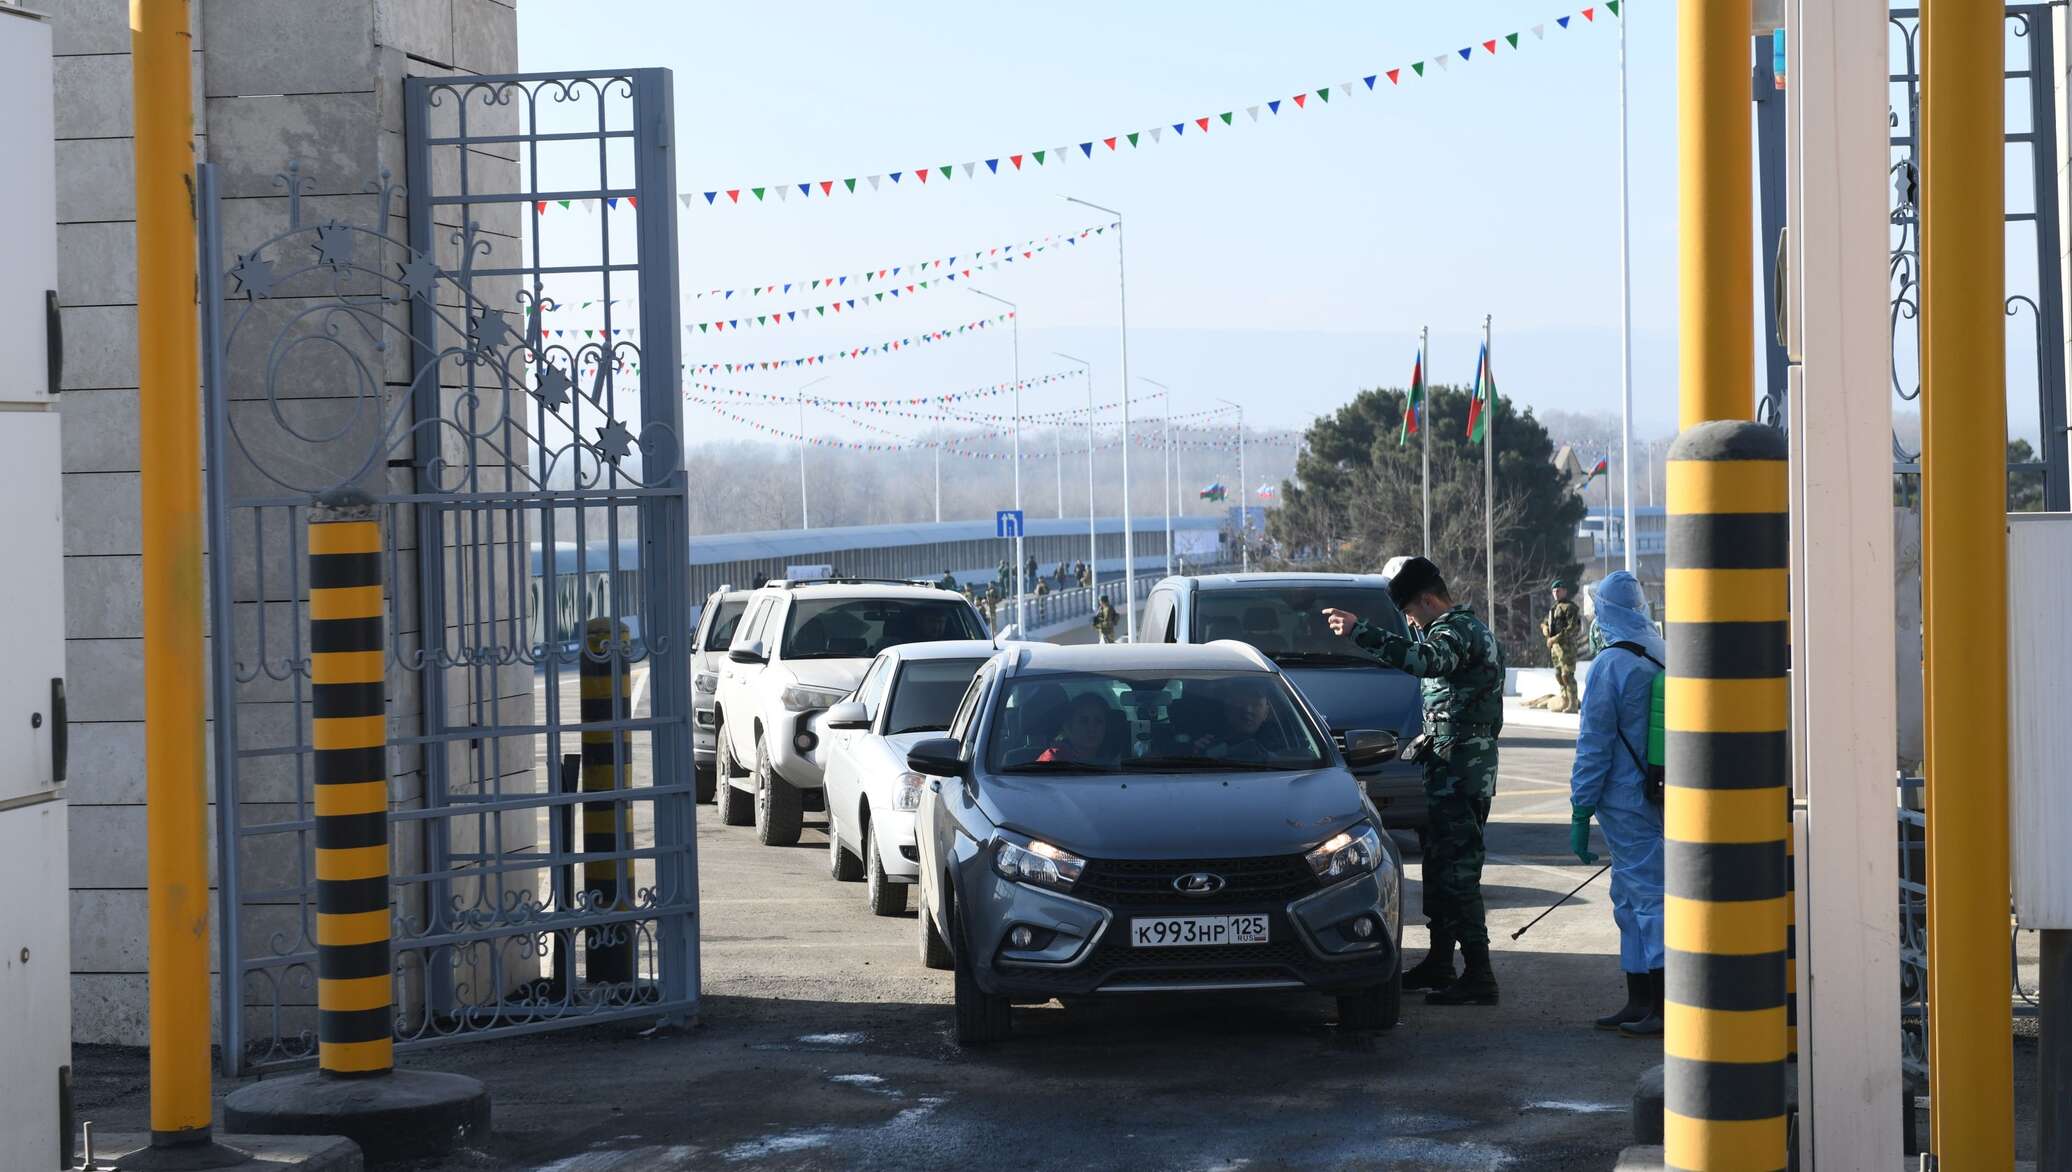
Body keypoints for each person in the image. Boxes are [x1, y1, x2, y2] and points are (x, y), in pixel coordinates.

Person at [1323, 556, 1505, 1007]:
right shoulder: (1457, 628)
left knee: (1459, 872)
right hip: (1450, 766)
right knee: (1441, 867)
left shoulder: (1455, 632)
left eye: (1409, 612)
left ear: (1427, 599)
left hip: (1462, 769)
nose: (1409, 622)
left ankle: (1479, 973)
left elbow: (1426, 661)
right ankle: (1441, 962)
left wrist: (1360, 630)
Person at [1567, 570, 1666, 1036]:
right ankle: (1639, 1001)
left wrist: (1580, 807)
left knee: (1646, 898)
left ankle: (1662, 1008)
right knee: (1630, 896)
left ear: (1606, 612)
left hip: (1626, 801)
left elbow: (1595, 742)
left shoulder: (1611, 665)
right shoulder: (1659, 652)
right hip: (1657, 793)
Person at [1036, 692, 1121, 766]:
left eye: (1098, 721)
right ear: (1068, 727)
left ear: (1106, 727)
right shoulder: (1052, 761)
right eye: (1084, 721)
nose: (1091, 728)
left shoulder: (1122, 763)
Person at [1541, 579, 1586, 712]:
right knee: (1558, 675)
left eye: (1558, 591)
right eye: (1554, 591)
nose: (1556, 593)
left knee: (1567, 675)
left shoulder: (1570, 607)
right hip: (1555, 648)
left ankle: (1573, 703)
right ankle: (1564, 700)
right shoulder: (1554, 608)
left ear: (1564, 591)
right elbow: (1545, 622)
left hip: (1567, 647)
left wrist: (1554, 639)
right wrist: (1544, 627)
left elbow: (1572, 628)